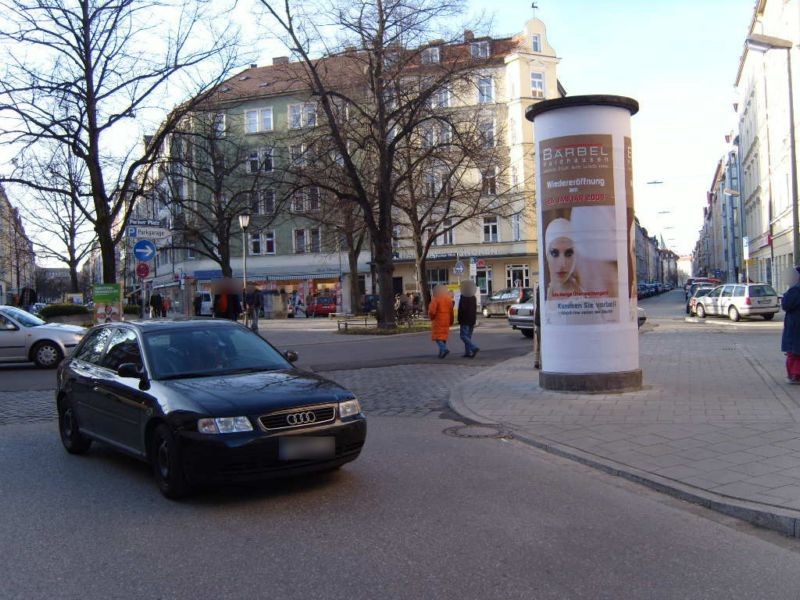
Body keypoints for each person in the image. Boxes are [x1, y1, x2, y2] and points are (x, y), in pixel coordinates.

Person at [545, 218, 582, 297]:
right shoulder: (541, 294)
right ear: (547, 255)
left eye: (568, 253)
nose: (562, 264)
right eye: (554, 253)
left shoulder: (584, 301)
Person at [782, 266, 800, 384]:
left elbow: (786, 305)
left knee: (794, 352)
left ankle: (795, 375)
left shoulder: (795, 290)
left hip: (795, 324)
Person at [428, 284, 454, 358]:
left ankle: (444, 349)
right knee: (443, 337)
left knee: (437, 337)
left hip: (438, 320)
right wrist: (451, 321)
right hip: (446, 320)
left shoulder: (435, 299)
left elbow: (432, 311)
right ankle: (441, 354)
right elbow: (451, 312)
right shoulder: (449, 299)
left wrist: (431, 318)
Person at [457, 280, 479, 358]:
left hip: (465, 320)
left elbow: (461, 310)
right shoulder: (473, 297)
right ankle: (468, 352)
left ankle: (473, 348)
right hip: (472, 320)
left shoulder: (463, 297)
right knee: (468, 336)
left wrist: (459, 319)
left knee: (463, 336)